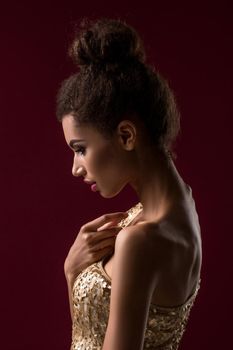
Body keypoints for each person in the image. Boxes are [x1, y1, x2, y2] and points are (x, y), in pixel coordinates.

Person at [56, 17, 202, 350]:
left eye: (81, 149)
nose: (76, 168)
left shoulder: (142, 241)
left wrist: (73, 274)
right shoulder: (182, 208)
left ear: (126, 135)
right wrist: (73, 271)